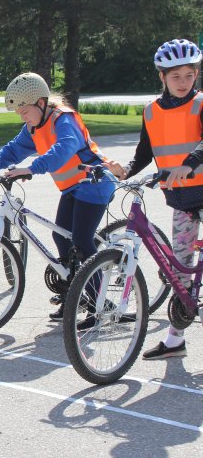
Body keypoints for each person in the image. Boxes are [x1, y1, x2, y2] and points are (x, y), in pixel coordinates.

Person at [0, 72, 114, 320]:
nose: (22, 117)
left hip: (95, 183)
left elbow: (64, 148)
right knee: (61, 238)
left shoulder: (64, 119)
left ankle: (101, 303)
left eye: (24, 111)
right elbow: (14, 149)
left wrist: (32, 168)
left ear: (40, 103)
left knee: (81, 240)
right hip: (72, 187)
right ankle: (75, 296)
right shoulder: (34, 127)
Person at [106, 38, 203, 359]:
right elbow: (144, 154)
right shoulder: (151, 111)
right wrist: (127, 169)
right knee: (180, 270)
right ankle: (176, 341)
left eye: (189, 76)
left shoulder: (200, 103)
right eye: (176, 77)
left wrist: (189, 164)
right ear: (162, 77)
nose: (183, 83)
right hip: (182, 199)